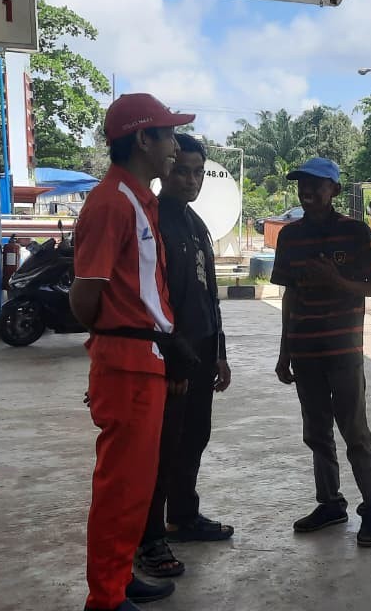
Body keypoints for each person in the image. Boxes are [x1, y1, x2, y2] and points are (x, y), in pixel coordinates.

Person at [70, 93, 194, 611]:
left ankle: (117, 578)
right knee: (121, 486)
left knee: (138, 485)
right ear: (143, 139)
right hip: (127, 364)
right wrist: (119, 333)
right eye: (168, 135)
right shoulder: (112, 202)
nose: (175, 147)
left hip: (146, 360)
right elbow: (85, 297)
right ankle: (105, 597)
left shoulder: (139, 200)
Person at [271, 157, 371, 548]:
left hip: (343, 351)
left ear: (335, 190)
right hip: (305, 351)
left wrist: (338, 281)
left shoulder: (355, 233)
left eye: (316, 184)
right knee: (317, 433)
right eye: (302, 184)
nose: (307, 190)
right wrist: (284, 351)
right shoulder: (289, 237)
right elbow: (289, 296)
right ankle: (330, 504)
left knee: (355, 433)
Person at [133, 134, 234, 579]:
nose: (190, 180)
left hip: (202, 351)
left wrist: (220, 352)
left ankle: (183, 516)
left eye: (197, 173)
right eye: (182, 170)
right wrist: (171, 359)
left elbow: (209, 294)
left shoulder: (196, 223)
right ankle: (150, 537)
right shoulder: (153, 221)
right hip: (171, 356)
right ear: (166, 169)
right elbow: (150, 300)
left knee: (194, 437)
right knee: (162, 448)